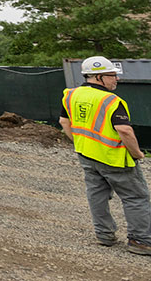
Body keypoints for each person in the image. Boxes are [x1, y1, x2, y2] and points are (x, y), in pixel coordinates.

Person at [59, 55, 151, 254]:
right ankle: (141, 241)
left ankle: (104, 235)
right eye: (112, 75)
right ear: (99, 77)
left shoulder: (71, 94)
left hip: (86, 154)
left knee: (96, 194)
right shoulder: (111, 101)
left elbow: (64, 122)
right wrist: (137, 154)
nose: (116, 79)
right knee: (136, 198)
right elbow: (125, 131)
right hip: (114, 158)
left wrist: (79, 142)